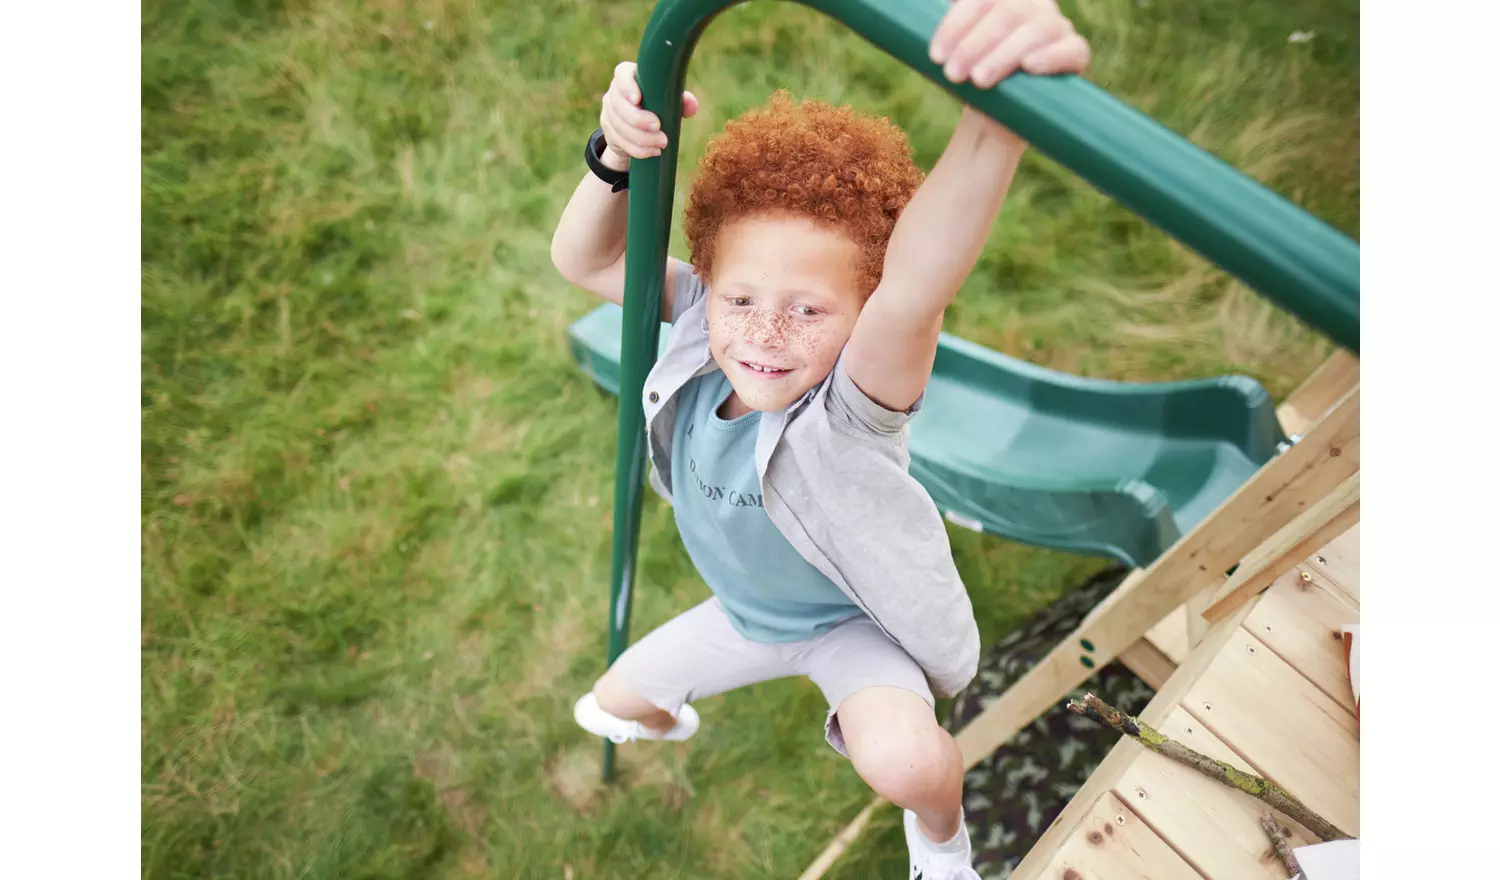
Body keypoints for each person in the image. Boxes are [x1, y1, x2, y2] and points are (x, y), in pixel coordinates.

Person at [550, 1, 1090, 875]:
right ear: (712, 281)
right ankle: (667, 709)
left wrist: (1000, 119)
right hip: (746, 614)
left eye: (809, 310)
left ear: (862, 315)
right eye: (743, 300)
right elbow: (587, 261)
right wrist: (612, 157)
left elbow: (917, 284)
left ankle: (946, 847)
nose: (765, 334)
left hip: (849, 621)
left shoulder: (856, 401)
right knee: (613, 702)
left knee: (907, 763)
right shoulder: (698, 316)